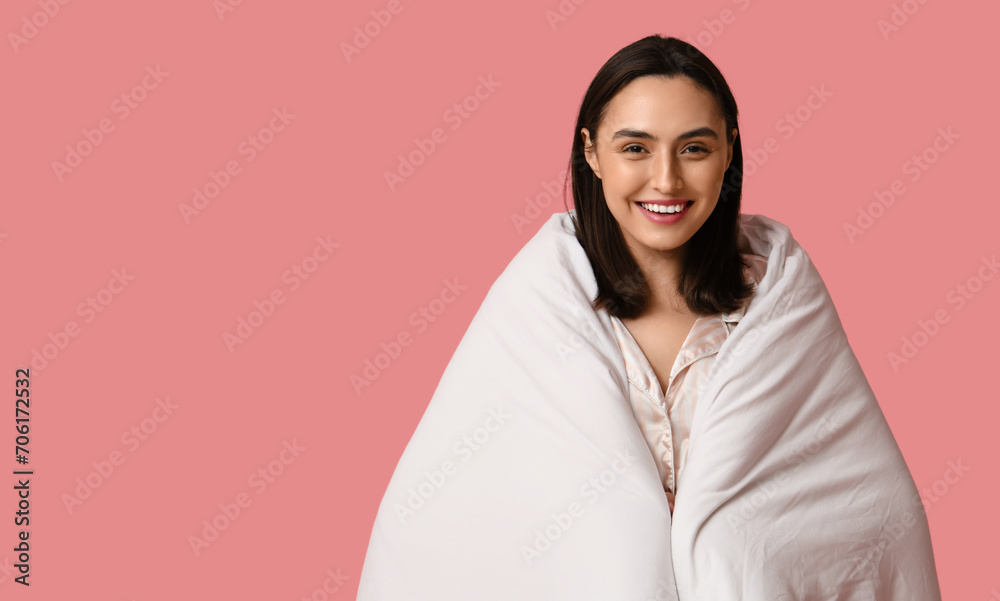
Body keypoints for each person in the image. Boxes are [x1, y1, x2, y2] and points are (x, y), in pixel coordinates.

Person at [571, 34, 758, 515]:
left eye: (694, 148)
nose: (667, 181)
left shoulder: (782, 299)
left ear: (729, 150)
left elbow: (848, 498)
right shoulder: (540, 304)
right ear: (591, 152)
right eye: (635, 148)